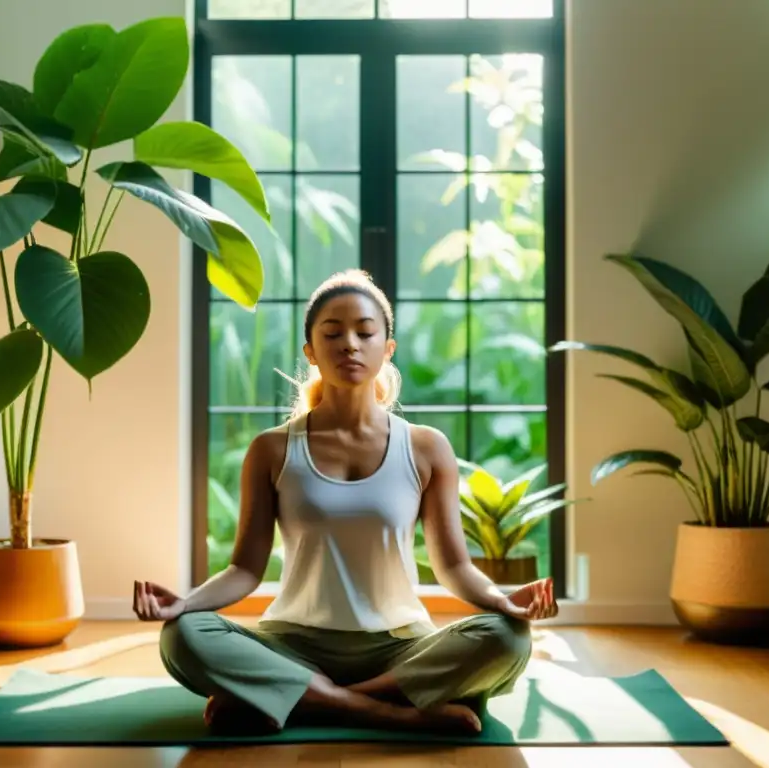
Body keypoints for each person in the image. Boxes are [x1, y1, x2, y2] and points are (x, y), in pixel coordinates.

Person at [133, 269, 558, 736]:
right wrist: (185, 604)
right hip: (293, 644)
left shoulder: (426, 448)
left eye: (365, 332)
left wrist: (503, 601)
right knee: (184, 636)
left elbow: (454, 567)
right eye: (332, 334)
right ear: (311, 352)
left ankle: (297, 699)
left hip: (397, 648)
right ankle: (388, 711)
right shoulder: (272, 450)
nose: (350, 344)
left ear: (387, 348)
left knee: (507, 638)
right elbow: (245, 570)